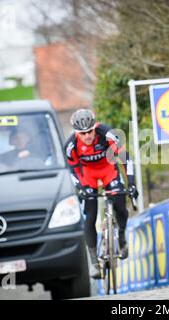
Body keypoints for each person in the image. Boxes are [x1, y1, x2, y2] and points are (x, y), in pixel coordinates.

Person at [64, 109, 138, 279]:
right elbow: (71, 170)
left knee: (121, 207)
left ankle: (121, 237)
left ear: (95, 126)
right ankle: (94, 263)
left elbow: (126, 158)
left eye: (90, 131)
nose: (87, 136)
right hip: (88, 175)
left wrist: (131, 183)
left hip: (108, 170)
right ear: (77, 132)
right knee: (90, 217)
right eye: (83, 133)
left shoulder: (107, 134)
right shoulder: (70, 145)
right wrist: (80, 188)